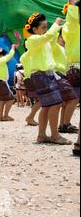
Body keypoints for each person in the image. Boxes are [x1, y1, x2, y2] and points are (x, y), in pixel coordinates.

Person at [24, 14, 70, 145]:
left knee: (46, 106)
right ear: (34, 29)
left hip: (44, 74)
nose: (46, 29)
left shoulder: (41, 40)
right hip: (42, 75)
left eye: (46, 27)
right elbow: (48, 36)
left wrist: (59, 27)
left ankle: (42, 135)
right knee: (55, 104)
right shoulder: (32, 40)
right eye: (43, 27)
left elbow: (51, 38)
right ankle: (55, 135)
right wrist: (56, 24)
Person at [61, 0, 80, 156]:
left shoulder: (70, 29)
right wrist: (71, 2)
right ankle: (65, 124)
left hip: (72, 69)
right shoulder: (74, 26)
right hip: (77, 68)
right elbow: (73, 18)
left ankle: (78, 143)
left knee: (71, 100)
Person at [0, 46, 17, 122]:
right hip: (2, 82)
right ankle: (5, 116)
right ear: (1, 54)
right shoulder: (1, 60)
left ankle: (1, 117)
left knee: (2, 100)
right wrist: (13, 48)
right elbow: (10, 55)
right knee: (11, 99)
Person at [20, 50, 41, 126]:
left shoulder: (23, 56)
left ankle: (31, 118)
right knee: (41, 100)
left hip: (27, 78)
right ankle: (30, 117)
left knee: (37, 100)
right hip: (33, 78)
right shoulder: (34, 53)